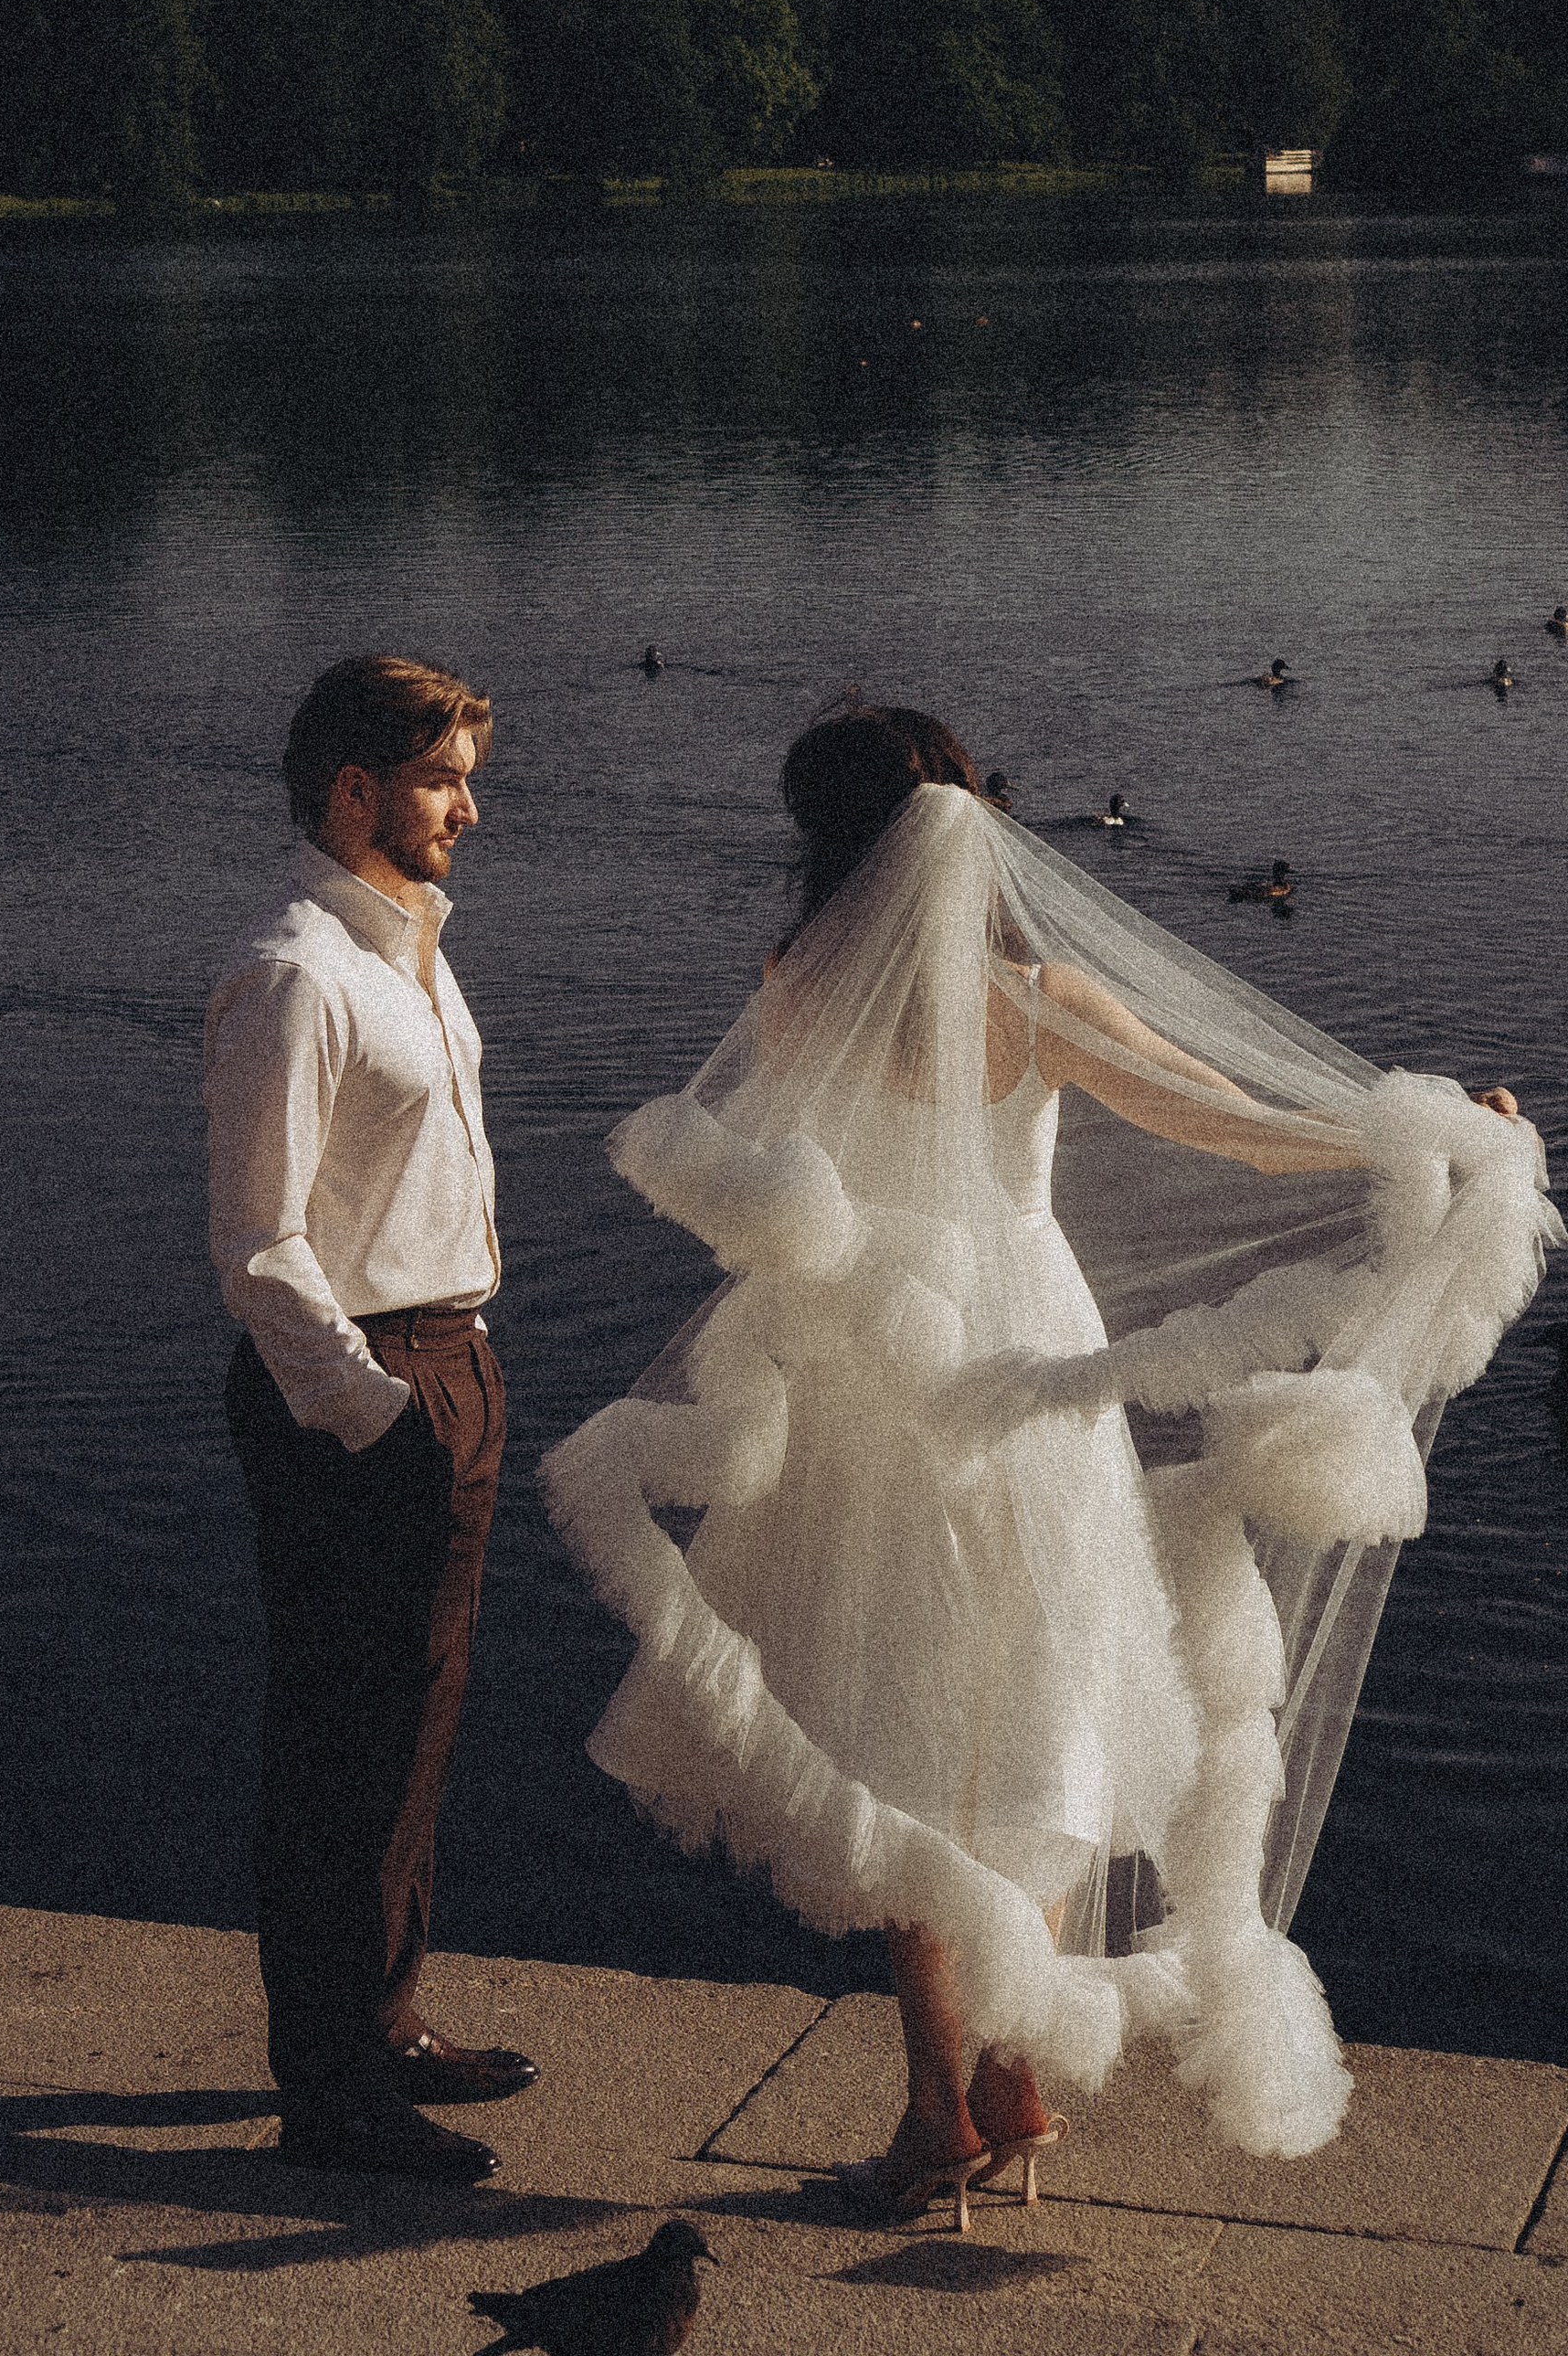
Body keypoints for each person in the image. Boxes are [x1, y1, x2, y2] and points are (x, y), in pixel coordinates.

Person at [547, 703, 1552, 2223]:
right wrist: (1424, 1134)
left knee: (896, 1721)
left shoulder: (793, 996)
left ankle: (934, 2111)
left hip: (875, 1361)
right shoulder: (1046, 1001)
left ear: (824, 845)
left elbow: (765, 1187)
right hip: (1027, 1359)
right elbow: (1247, 1126)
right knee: (1048, 1702)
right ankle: (1017, 2075)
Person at [207, 653, 535, 2184]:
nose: (470, 804)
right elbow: (261, 1246)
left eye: (468, 773)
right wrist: (374, 1410)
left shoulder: (408, 947)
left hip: (444, 1360)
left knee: (419, 1722)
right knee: (340, 1741)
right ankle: (326, 2092)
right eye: (442, 777)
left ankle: (384, 2023)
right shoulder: (295, 973)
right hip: (361, 1387)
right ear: (352, 789)